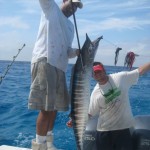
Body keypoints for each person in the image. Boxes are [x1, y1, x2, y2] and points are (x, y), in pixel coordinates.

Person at [28, 0, 83, 149]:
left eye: (76, 7)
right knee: (46, 109)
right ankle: (39, 146)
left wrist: (77, 52)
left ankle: (49, 143)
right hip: (45, 60)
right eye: (72, 4)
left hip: (60, 67)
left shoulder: (71, 27)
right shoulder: (50, 7)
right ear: (64, 1)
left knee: (55, 108)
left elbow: (67, 51)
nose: (73, 9)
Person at [88, 61, 150, 150]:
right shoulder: (95, 93)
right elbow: (90, 113)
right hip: (104, 132)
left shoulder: (120, 78)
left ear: (104, 70)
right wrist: (74, 120)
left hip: (123, 130)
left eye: (99, 71)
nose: (98, 74)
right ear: (92, 75)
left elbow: (139, 71)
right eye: (94, 73)